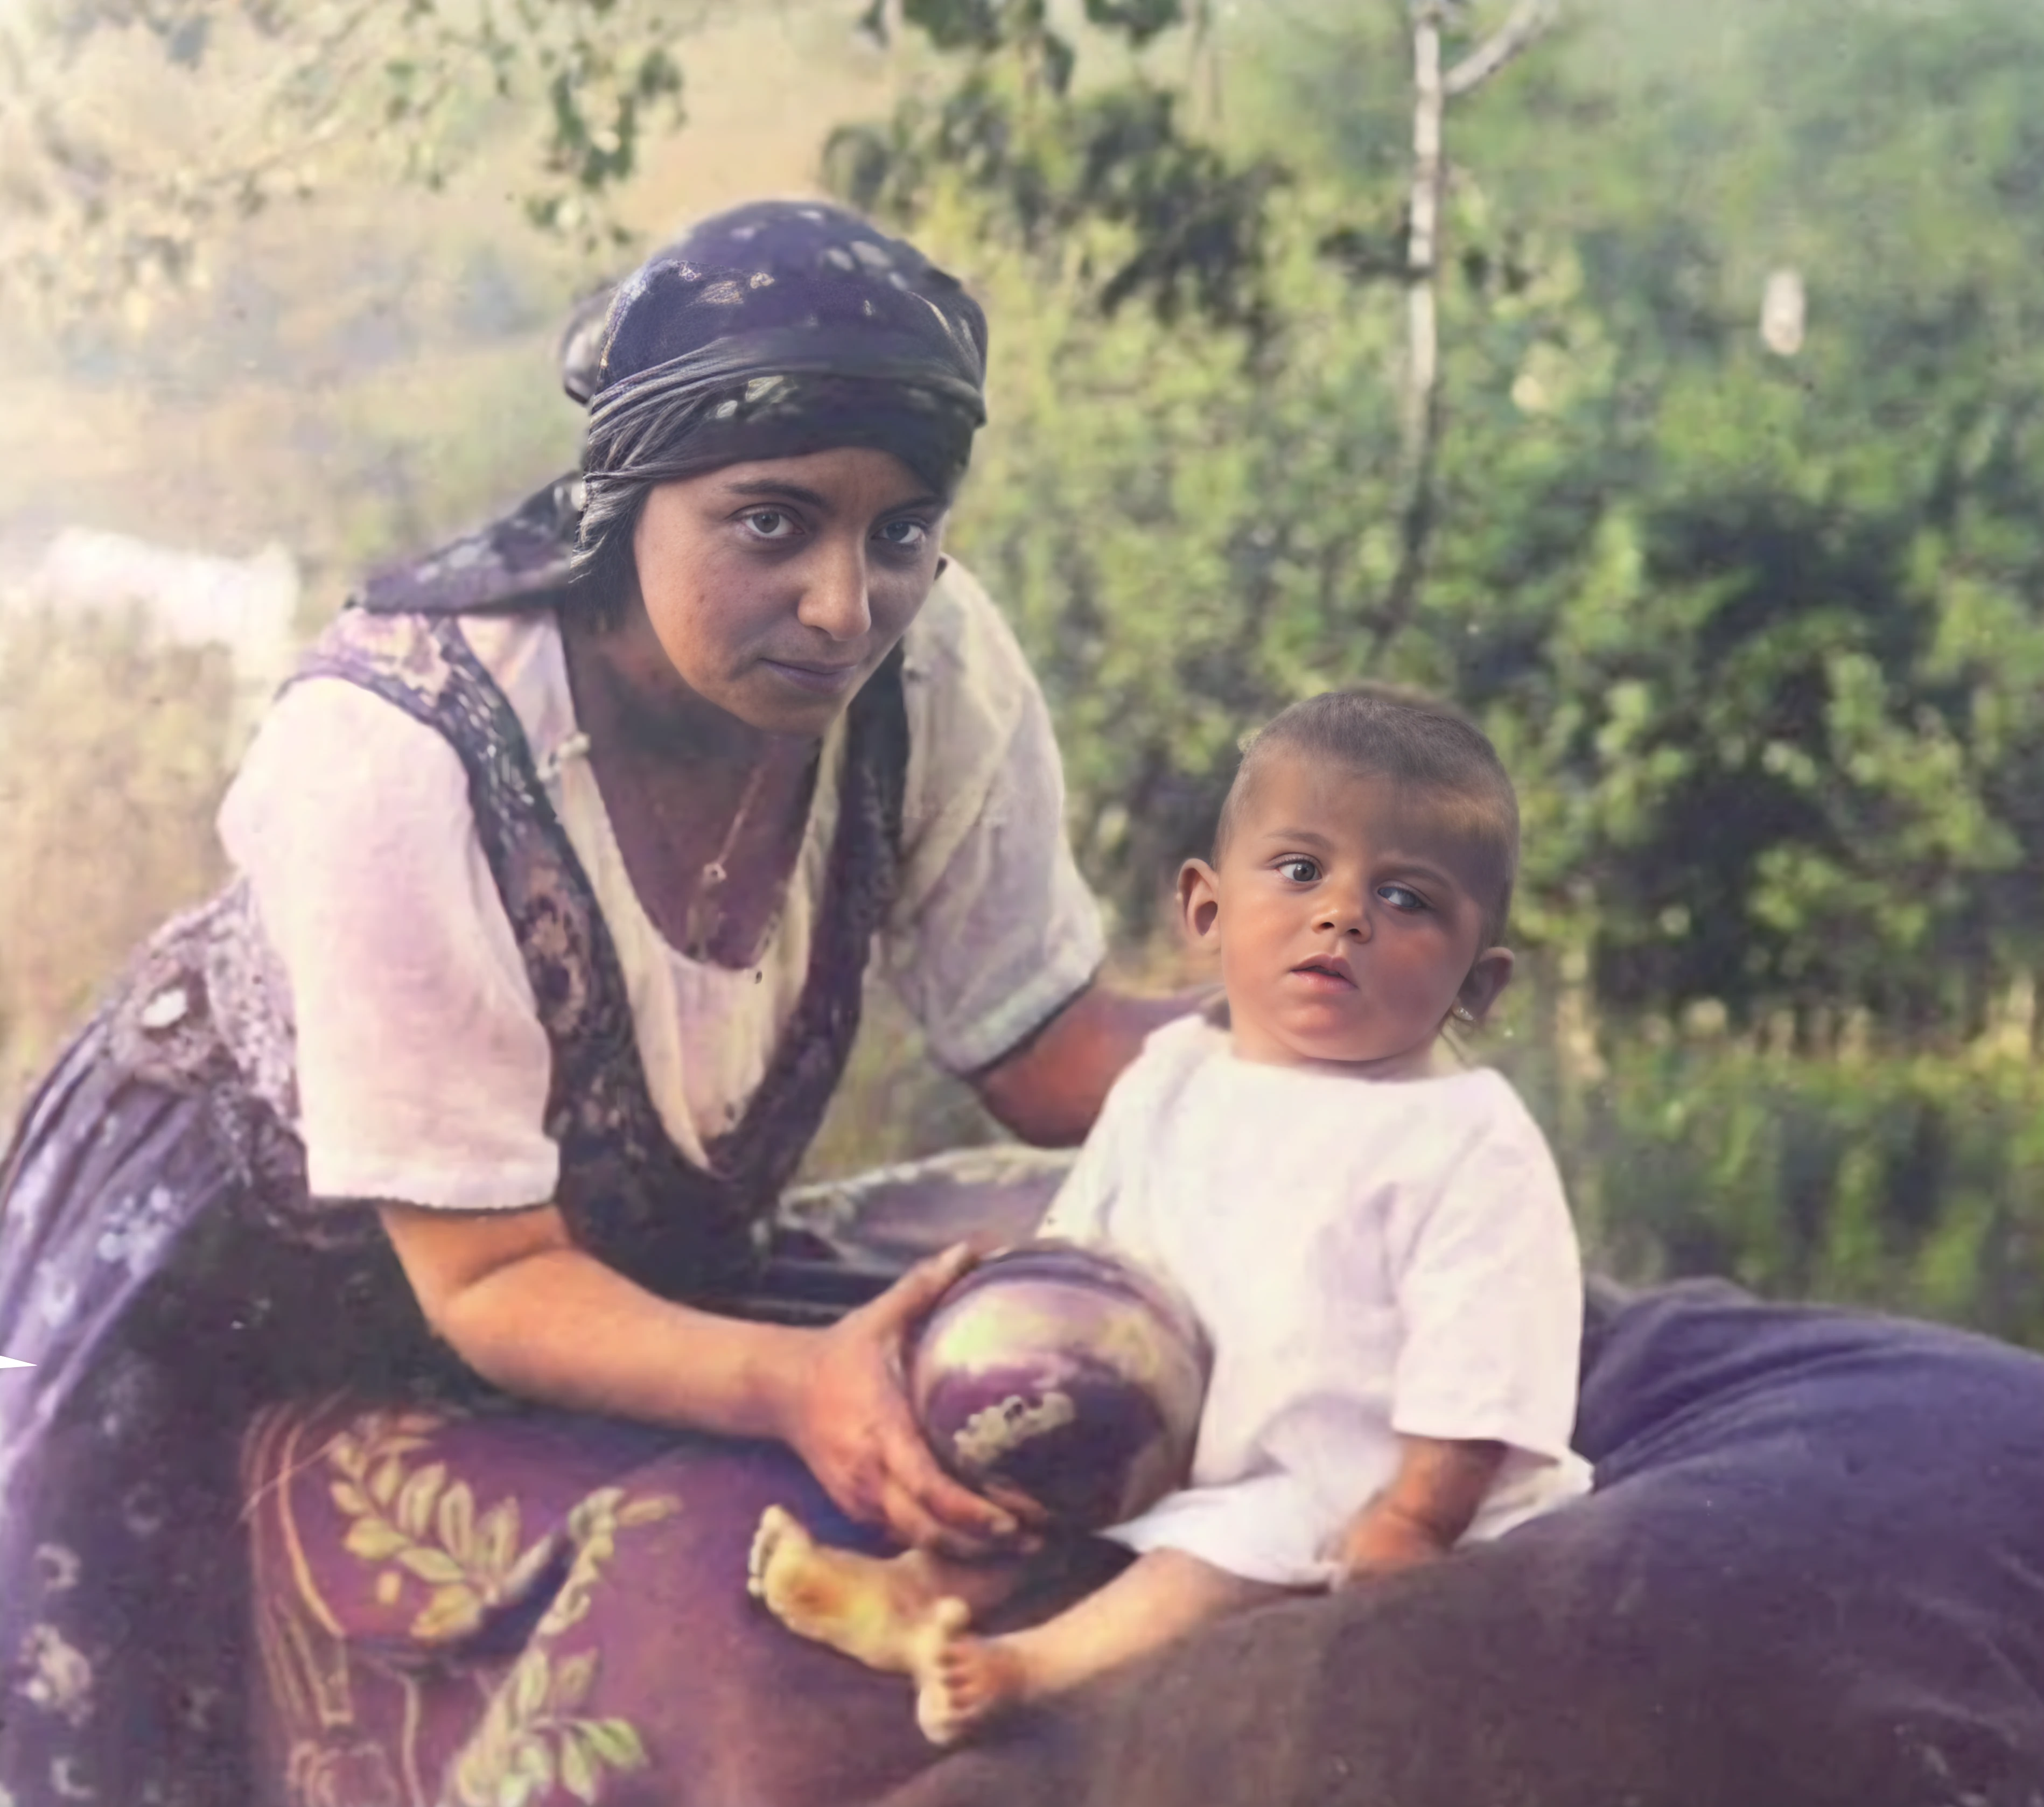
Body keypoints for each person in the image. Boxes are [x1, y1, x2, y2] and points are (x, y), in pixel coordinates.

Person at [0, 200, 1198, 1806]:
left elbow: (1045, 1050)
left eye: (900, 532)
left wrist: (1332, 1055)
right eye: (772, 525)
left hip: (603, 1270)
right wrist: (793, 1379)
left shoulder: (923, 672)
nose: (848, 603)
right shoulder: (398, 753)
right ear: (625, 498)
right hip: (244, 1279)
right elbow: (488, 1273)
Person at [747, 688, 1593, 1745]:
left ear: (1480, 981)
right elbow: (1082, 1248)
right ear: (1206, 909)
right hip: (1166, 1427)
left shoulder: (1461, 1134)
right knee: (1026, 1446)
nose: (1344, 914)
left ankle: (1027, 1665)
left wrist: (1414, 1517)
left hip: (1336, 1473)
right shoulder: (1174, 1074)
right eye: (1299, 871)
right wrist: (1013, 1327)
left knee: (1228, 1546)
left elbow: (1477, 1372)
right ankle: (923, 1587)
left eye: (1408, 900)